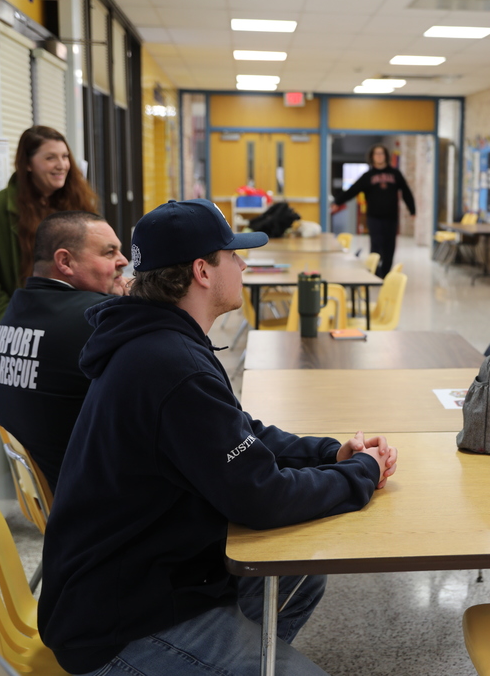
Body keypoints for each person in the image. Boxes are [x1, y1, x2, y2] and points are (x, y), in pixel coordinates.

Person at [38, 199, 397, 676]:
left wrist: (330, 453)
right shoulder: (171, 365)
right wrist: (361, 474)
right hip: (119, 623)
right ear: (202, 271)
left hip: (150, 575)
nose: (244, 264)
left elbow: (239, 430)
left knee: (301, 572)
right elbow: (261, 497)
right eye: (233, 255)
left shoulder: (162, 342)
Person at [0, 210, 128, 492]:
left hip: (54, 495)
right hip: (99, 505)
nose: (123, 261)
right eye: (109, 252)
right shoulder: (95, 319)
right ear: (65, 261)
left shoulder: (17, 310)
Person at [0, 125, 98, 323]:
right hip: (33, 322)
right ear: (28, 164)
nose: (62, 165)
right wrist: (8, 316)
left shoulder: (80, 203)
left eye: (65, 156)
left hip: (81, 316)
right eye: (50, 158)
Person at [332, 144, 415, 277]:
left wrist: (412, 210)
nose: (379, 156)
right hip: (374, 217)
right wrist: (337, 202)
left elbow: (406, 191)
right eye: (376, 154)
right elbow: (353, 190)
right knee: (376, 245)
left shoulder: (395, 173)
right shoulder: (368, 176)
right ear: (372, 157)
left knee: (390, 246)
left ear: (386, 156)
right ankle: (375, 272)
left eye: (381, 153)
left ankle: (385, 273)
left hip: (391, 217)